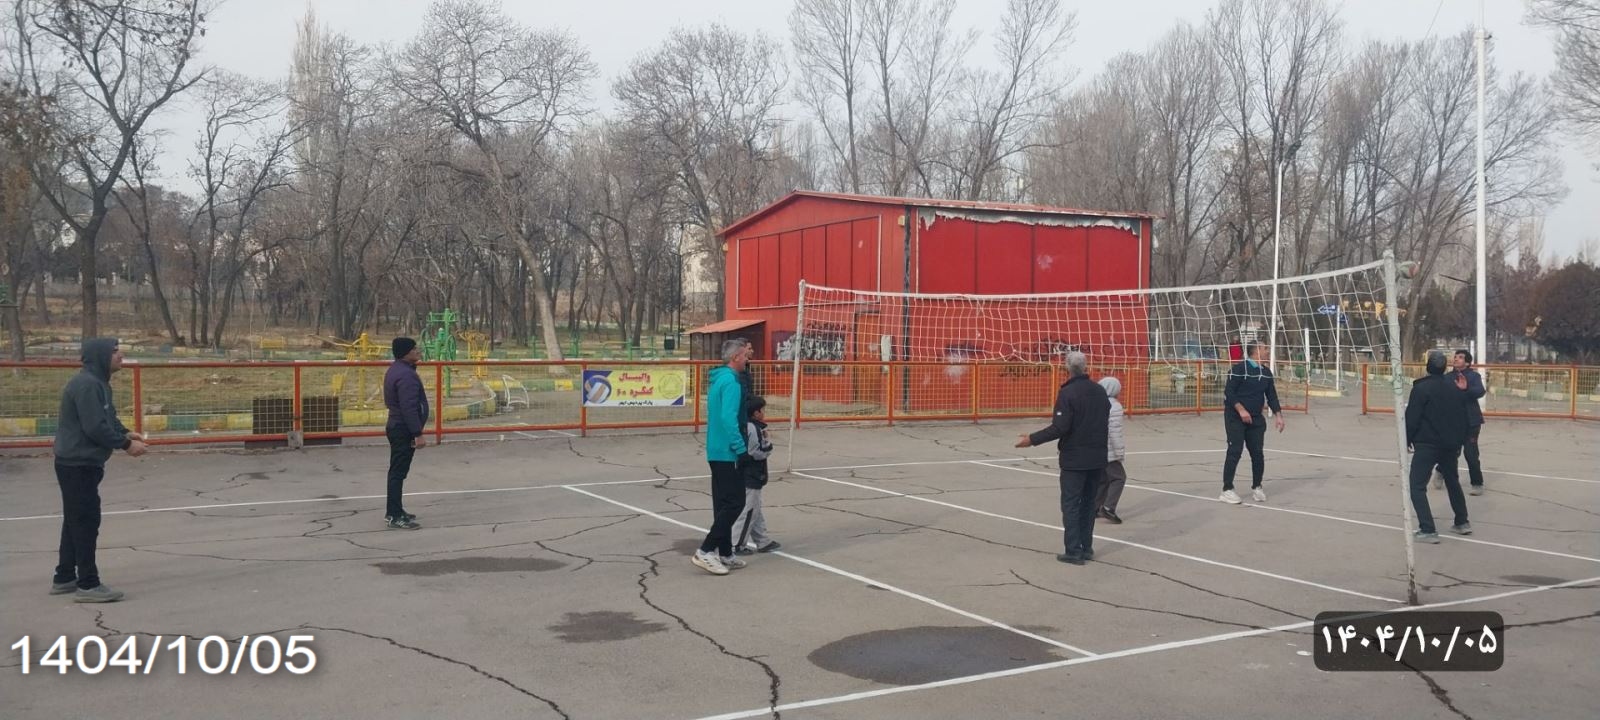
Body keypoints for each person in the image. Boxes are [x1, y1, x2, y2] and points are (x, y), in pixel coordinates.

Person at [52, 337, 148, 603]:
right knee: (85, 522)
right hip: (77, 464)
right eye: (115, 351)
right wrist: (126, 445)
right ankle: (88, 584)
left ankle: (64, 576)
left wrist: (124, 432)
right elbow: (94, 427)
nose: (120, 355)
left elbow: (107, 418)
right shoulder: (87, 385)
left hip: (83, 463)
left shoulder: (99, 383)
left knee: (75, 520)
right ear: (100, 356)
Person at [1016, 351, 1110, 565]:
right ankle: (1086, 547)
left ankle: (1074, 550)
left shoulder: (1068, 393)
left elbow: (1060, 427)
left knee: (1071, 505)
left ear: (1067, 367)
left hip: (1075, 459)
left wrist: (1031, 439)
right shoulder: (1099, 391)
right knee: (1088, 504)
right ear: (1086, 367)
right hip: (1096, 457)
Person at [694, 338, 752, 575]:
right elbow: (729, 418)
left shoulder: (719, 379)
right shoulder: (731, 382)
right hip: (727, 453)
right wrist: (741, 449)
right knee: (736, 502)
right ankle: (706, 550)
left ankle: (725, 552)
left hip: (716, 450)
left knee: (722, 503)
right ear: (735, 357)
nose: (747, 359)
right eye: (745, 355)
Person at [1406, 350, 1472, 543]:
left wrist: (1406, 439)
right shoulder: (1455, 387)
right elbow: (1463, 417)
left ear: (1427, 367)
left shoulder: (1421, 389)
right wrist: (1460, 440)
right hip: (1450, 443)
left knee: (1416, 485)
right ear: (1444, 368)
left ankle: (1427, 528)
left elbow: (1412, 418)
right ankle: (1462, 522)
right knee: (1452, 481)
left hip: (1428, 443)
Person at [1220, 341, 1285, 504]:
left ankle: (1257, 487)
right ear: (1256, 351)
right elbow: (1229, 392)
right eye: (1265, 349)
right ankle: (1227, 489)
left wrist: (1278, 415)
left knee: (1257, 453)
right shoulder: (1239, 369)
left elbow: (1271, 396)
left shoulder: (1266, 372)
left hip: (1255, 418)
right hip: (1235, 417)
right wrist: (1241, 410)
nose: (1268, 351)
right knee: (1235, 450)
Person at [383, 337, 429, 530]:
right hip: (403, 429)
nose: (418, 351)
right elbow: (408, 407)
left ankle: (396, 510)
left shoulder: (397, 370)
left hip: (398, 426)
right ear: (406, 353)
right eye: (414, 348)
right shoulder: (406, 376)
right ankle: (394, 515)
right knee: (398, 472)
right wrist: (417, 433)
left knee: (398, 471)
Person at [732, 396, 781, 556]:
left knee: (756, 508)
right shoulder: (753, 428)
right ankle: (736, 543)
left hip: (750, 473)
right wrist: (768, 446)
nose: (764, 412)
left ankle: (762, 540)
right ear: (755, 412)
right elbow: (755, 452)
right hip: (751, 473)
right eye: (762, 410)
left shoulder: (751, 426)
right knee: (749, 510)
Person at [1454, 350, 1487, 496]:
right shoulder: (1448, 377)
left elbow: (1480, 391)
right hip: (1453, 422)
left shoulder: (1474, 376)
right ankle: (1441, 471)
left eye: (1460, 357)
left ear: (1467, 362)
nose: (1456, 359)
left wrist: (1466, 388)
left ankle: (1477, 483)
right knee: (1451, 452)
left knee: (1471, 453)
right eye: (1455, 357)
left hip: (1471, 421)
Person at [1095, 376, 1127, 524]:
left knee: (1103, 479)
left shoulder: (1095, 402)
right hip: (1108, 450)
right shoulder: (1114, 406)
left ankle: (1094, 507)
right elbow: (1115, 432)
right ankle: (1108, 508)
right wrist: (1119, 452)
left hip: (1095, 448)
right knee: (1119, 477)